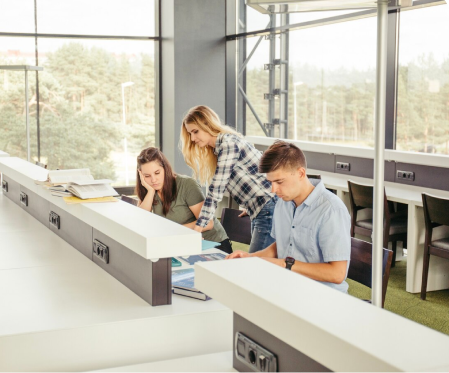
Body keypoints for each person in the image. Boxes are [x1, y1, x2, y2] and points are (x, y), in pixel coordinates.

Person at [227, 140, 351, 293]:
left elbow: (337, 274)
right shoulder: (282, 203)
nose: (273, 189)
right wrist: (251, 257)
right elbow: (281, 245)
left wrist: (285, 264)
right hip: (288, 287)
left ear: (301, 173)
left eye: (279, 181)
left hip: (322, 296)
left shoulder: (331, 210)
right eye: (271, 182)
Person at [180, 105, 276, 253]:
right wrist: (251, 204)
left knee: (255, 264)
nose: (192, 138)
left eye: (195, 131)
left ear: (207, 124)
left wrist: (198, 229)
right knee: (261, 264)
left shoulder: (228, 144)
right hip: (261, 208)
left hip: (268, 208)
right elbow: (251, 176)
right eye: (190, 133)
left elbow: (215, 191)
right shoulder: (218, 150)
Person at [136, 147, 233, 254]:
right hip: (183, 244)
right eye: (147, 176)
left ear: (165, 169)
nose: (153, 180)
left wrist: (173, 231)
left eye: (157, 173)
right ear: (141, 176)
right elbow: (141, 220)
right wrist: (150, 191)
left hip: (213, 244)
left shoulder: (187, 184)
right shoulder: (149, 190)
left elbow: (208, 223)